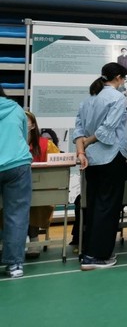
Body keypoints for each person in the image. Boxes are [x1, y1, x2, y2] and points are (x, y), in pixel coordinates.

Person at [73, 62, 127, 271]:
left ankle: (88, 251)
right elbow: (107, 129)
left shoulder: (89, 100)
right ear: (118, 78)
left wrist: (82, 151)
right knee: (108, 208)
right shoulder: (118, 98)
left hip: (92, 160)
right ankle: (98, 255)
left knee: (94, 206)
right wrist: (89, 141)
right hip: (110, 157)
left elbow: (78, 129)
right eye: (124, 78)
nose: (124, 82)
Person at [0, 87, 32, 278]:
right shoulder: (16, 109)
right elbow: (25, 137)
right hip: (17, 164)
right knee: (17, 214)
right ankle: (15, 265)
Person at [24, 110, 60, 259]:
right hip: (15, 189)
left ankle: (34, 240)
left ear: (33, 125)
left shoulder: (46, 144)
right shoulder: (9, 143)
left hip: (39, 191)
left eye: (26, 120)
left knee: (34, 203)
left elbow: (58, 167)